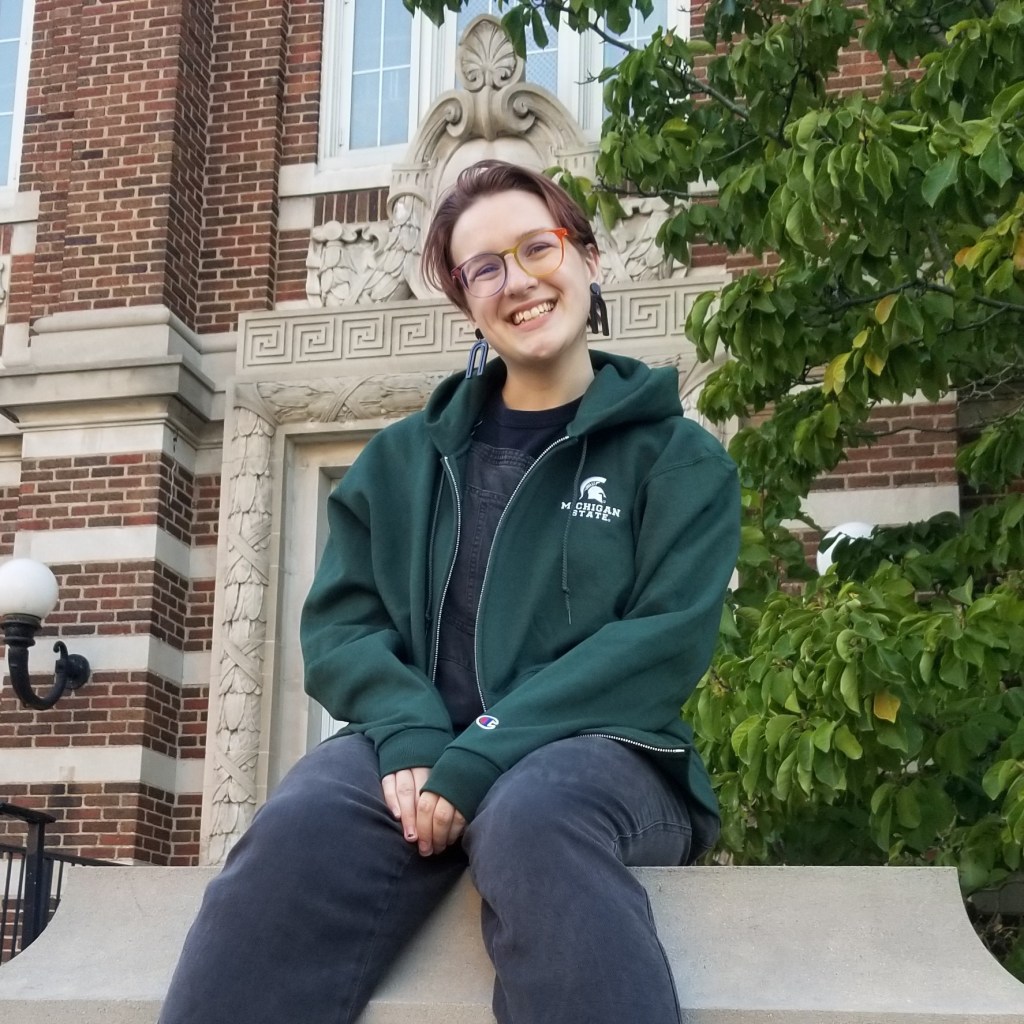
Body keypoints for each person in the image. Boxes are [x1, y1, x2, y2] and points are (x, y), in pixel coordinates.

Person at [159, 159, 740, 1024]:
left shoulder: (678, 458)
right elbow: (343, 626)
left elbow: (661, 642)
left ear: (585, 257)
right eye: (485, 268)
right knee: (296, 826)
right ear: (465, 300)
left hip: (606, 755)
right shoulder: (400, 460)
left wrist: (482, 754)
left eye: (537, 247)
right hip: (418, 749)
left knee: (531, 818)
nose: (520, 281)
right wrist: (410, 733)